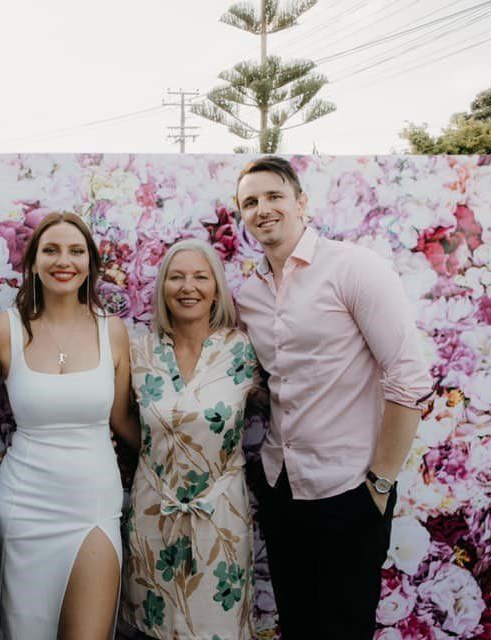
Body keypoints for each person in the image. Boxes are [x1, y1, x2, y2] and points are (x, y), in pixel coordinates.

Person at [235, 156, 433, 640]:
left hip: (351, 491)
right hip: (283, 488)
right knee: (299, 629)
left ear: (302, 202)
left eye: (274, 196)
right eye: (250, 202)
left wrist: (380, 484)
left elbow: (409, 376)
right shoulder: (249, 295)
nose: (263, 209)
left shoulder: (353, 268)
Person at [0, 212, 138, 640]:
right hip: (24, 509)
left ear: (90, 263)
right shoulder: (8, 329)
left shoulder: (112, 332)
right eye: (51, 250)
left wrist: (179, 454)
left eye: (76, 251)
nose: (64, 260)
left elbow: (122, 419)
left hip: (93, 504)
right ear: (33, 262)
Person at [122, 238, 257, 640]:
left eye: (201, 277)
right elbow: (121, 418)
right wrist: (159, 456)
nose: (188, 287)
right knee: (154, 629)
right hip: (154, 510)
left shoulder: (242, 350)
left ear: (216, 288)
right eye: (177, 277)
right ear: (162, 286)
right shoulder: (140, 352)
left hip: (221, 516)